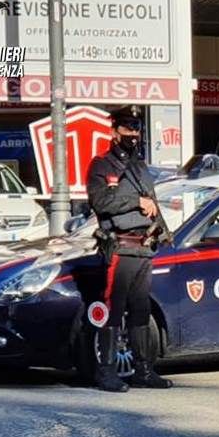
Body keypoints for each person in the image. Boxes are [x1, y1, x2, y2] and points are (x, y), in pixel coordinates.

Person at [85, 105, 173, 392]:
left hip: (144, 249)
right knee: (113, 310)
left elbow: (153, 201)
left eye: (136, 129)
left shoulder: (141, 167)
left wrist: (164, 231)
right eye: (127, 129)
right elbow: (101, 202)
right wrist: (136, 201)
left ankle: (143, 370)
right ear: (114, 132)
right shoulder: (102, 165)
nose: (133, 134)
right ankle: (106, 372)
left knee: (139, 311)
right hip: (119, 248)